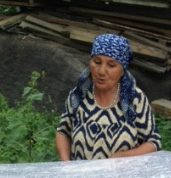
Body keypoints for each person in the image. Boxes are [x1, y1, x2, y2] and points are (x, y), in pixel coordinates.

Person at [56, 33, 162, 161]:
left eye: (111, 65)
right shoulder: (79, 95)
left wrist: (122, 157)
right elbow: (63, 132)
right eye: (97, 62)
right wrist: (66, 166)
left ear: (122, 70)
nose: (101, 71)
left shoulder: (135, 99)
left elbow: (153, 142)